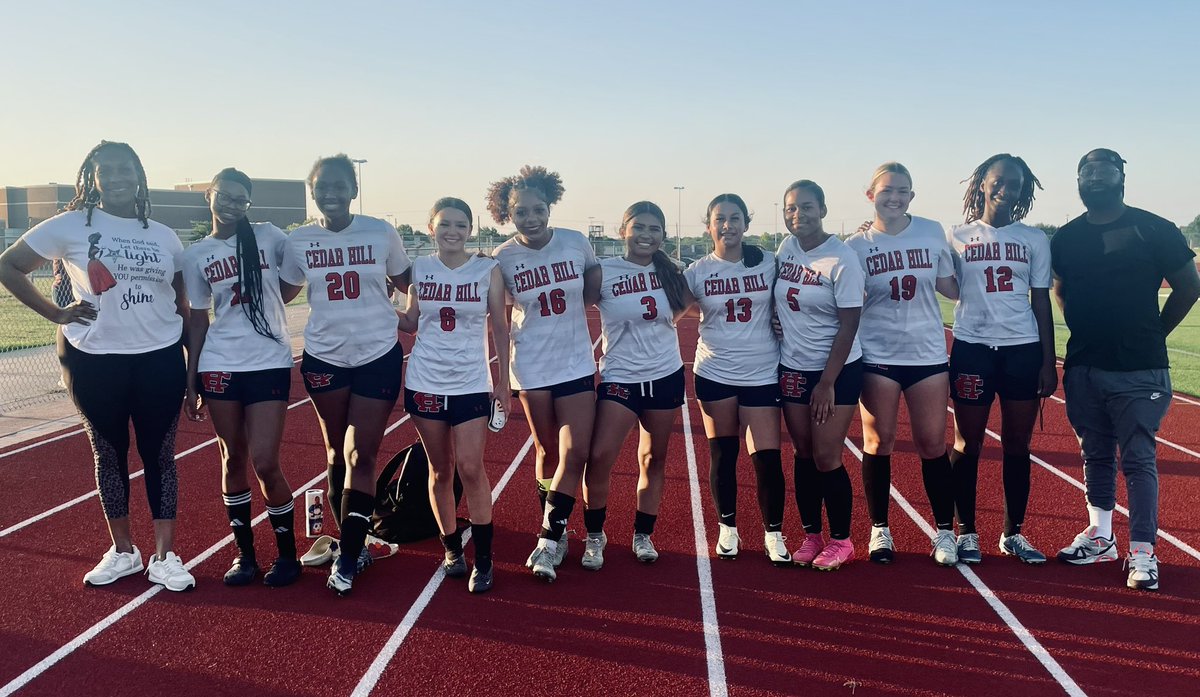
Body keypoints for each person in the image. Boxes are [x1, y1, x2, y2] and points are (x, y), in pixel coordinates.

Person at [0, 140, 195, 591]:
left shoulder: (164, 235)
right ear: (93, 177)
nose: (118, 177)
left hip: (158, 356)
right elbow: (10, 266)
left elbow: (180, 303)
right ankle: (124, 551)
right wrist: (55, 313)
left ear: (140, 175)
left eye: (126, 169)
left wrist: (191, 369)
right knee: (107, 453)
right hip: (93, 358)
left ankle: (165, 556)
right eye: (107, 170)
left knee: (160, 455)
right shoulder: (69, 225)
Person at [1052, 148, 1200, 591]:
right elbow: (1060, 290)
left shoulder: (1153, 228)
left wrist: (1155, 332)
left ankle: (1142, 550)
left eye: (1105, 170)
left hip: (1138, 368)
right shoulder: (1066, 236)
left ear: (1121, 177)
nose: (1096, 177)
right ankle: (1100, 535)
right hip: (1084, 365)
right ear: (1078, 180)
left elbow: (1190, 285)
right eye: (1087, 171)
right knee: (1094, 452)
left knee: (1137, 457)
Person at [278, 154, 411, 596]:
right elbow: (279, 290)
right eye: (322, 187)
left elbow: (412, 281)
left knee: (361, 455)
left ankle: (350, 555)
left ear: (353, 189)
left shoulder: (380, 231)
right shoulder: (299, 241)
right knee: (336, 452)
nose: (331, 194)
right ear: (312, 192)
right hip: (324, 356)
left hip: (377, 354)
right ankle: (350, 535)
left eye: (339, 185)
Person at [181, 168, 301, 587]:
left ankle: (288, 555)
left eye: (241, 199)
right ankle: (245, 555)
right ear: (209, 196)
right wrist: (191, 376)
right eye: (225, 196)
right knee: (232, 458)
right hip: (219, 362)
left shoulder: (270, 235)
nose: (232, 204)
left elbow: (290, 285)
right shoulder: (196, 254)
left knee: (266, 460)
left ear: (249, 203)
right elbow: (198, 319)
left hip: (268, 359)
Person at [487, 165, 601, 583]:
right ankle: (556, 530)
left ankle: (548, 538)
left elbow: (594, 285)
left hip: (574, 362)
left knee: (577, 452)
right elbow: (498, 321)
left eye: (538, 209)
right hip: (531, 365)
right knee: (548, 451)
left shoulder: (576, 242)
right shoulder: (503, 257)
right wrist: (500, 379)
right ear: (508, 214)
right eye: (521, 213)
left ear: (550, 206)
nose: (531, 219)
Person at [845, 162, 960, 566]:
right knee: (879, 442)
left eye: (903, 191)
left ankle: (945, 532)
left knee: (932, 444)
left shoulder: (931, 230)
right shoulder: (855, 246)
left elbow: (951, 286)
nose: (894, 197)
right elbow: (843, 301)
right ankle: (880, 528)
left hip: (927, 352)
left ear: (912, 196)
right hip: (878, 354)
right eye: (887, 190)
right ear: (870, 194)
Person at [947, 154, 1056, 565]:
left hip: (1022, 350)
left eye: (1015, 183)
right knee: (967, 442)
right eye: (998, 181)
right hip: (973, 346)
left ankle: (1013, 533)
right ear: (981, 184)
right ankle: (966, 532)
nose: (1006, 189)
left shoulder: (1035, 239)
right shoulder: (955, 235)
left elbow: (1041, 301)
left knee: (1016, 443)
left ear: (1024, 190)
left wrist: (1048, 361)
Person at [398, 197, 510, 593]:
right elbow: (412, 322)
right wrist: (375, 299)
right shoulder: (420, 268)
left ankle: (485, 557)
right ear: (431, 227)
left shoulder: (488, 269)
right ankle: (450, 549)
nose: (453, 231)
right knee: (440, 469)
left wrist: (503, 382)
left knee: (471, 467)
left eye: (461, 225)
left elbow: (500, 326)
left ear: (470, 229)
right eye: (445, 223)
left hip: (470, 382)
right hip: (425, 380)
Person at [580, 201, 692, 569]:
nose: (646, 235)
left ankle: (643, 534)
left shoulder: (673, 273)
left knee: (653, 458)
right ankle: (595, 535)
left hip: (664, 374)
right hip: (620, 376)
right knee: (599, 458)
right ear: (623, 230)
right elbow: (569, 305)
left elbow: (709, 305)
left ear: (663, 235)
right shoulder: (603, 271)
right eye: (639, 227)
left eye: (654, 229)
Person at [685, 194, 789, 566]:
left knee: (767, 458)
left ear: (746, 223)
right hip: (714, 371)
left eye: (734, 218)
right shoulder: (696, 271)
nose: (727, 225)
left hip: (761, 371)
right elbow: (667, 309)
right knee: (723, 454)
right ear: (708, 225)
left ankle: (773, 532)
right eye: (720, 219)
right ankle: (727, 528)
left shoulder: (768, 262)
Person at [775, 180, 864, 571]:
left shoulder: (841, 258)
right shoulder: (786, 248)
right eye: (791, 208)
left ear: (823, 209)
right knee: (803, 454)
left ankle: (842, 540)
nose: (799, 215)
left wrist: (827, 382)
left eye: (807, 207)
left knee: (828, 455)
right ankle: (812, 535)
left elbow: (848, 326)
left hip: (835, 371)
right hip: (793, 366)